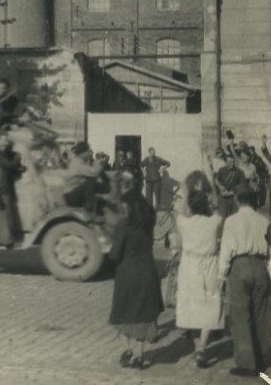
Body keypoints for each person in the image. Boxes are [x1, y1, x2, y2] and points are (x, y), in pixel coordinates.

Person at [109, 185, 164, 370]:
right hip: (148, 272)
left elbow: (115, 254)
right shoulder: (148, 224)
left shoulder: (123, 224)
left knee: (122, 316)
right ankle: (138, 356)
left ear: (129, 206)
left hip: (128, 274)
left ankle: (129, 350)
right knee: (143, 316)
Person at [218, 188, 271, 377]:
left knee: (240, 315)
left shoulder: (231, 221)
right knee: (262, 314)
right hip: (260, 266)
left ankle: (246, 363)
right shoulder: (264, 221)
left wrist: (221, 276)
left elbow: (226, 250)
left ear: (237, 199)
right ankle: (264, 357)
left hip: (240, 267)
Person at [172, 172, 223, 369]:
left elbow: (179, 212)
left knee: (191, 306)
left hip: (190, 266)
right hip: (209, 265)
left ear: (191, 206)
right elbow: (217, 206)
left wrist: (186, 191)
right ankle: (202, 346)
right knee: (210, 304)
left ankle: (197, 348)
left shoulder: (184, 223)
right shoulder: (214, 222)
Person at [0, 131, 24, 248]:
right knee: (4, 213)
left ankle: (4, 240)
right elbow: (9, 165)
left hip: (3, 186)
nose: (5, 143)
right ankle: (7, 241)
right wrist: (17, 158)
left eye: (6, 141)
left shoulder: (1, 153)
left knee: (5, 213)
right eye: (3, 140)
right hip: (0, 188)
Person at [63, 141, 107, 214]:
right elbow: (94, 172)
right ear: (83, 152)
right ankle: (89, 209)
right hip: (71, 195)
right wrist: (101, 163)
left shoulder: (80, 161)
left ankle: (93, 206)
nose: (91, 152)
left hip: (73, 192)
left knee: (92, 182)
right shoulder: (77, 163)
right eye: (89, 150)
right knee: (89, 183)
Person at [213, 151, 247, 219]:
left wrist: (233, 192)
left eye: (233, 162)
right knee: (222, 217)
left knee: (235, 217)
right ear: (225, 162)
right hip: (223, 197)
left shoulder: (240, 172)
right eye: (230, 162)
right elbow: (216, 180)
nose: (232, 164)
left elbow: (242, 186)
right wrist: (220, 187)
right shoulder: (221, 170)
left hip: (234, 197)